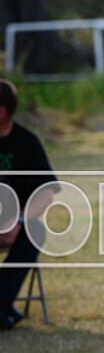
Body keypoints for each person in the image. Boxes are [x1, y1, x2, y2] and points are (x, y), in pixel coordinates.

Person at [0, 79, 58, 331]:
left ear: (3, 110)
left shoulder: (27, 143)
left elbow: (46, 193)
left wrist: (18, 221)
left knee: (35, 231)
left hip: (18, 221)